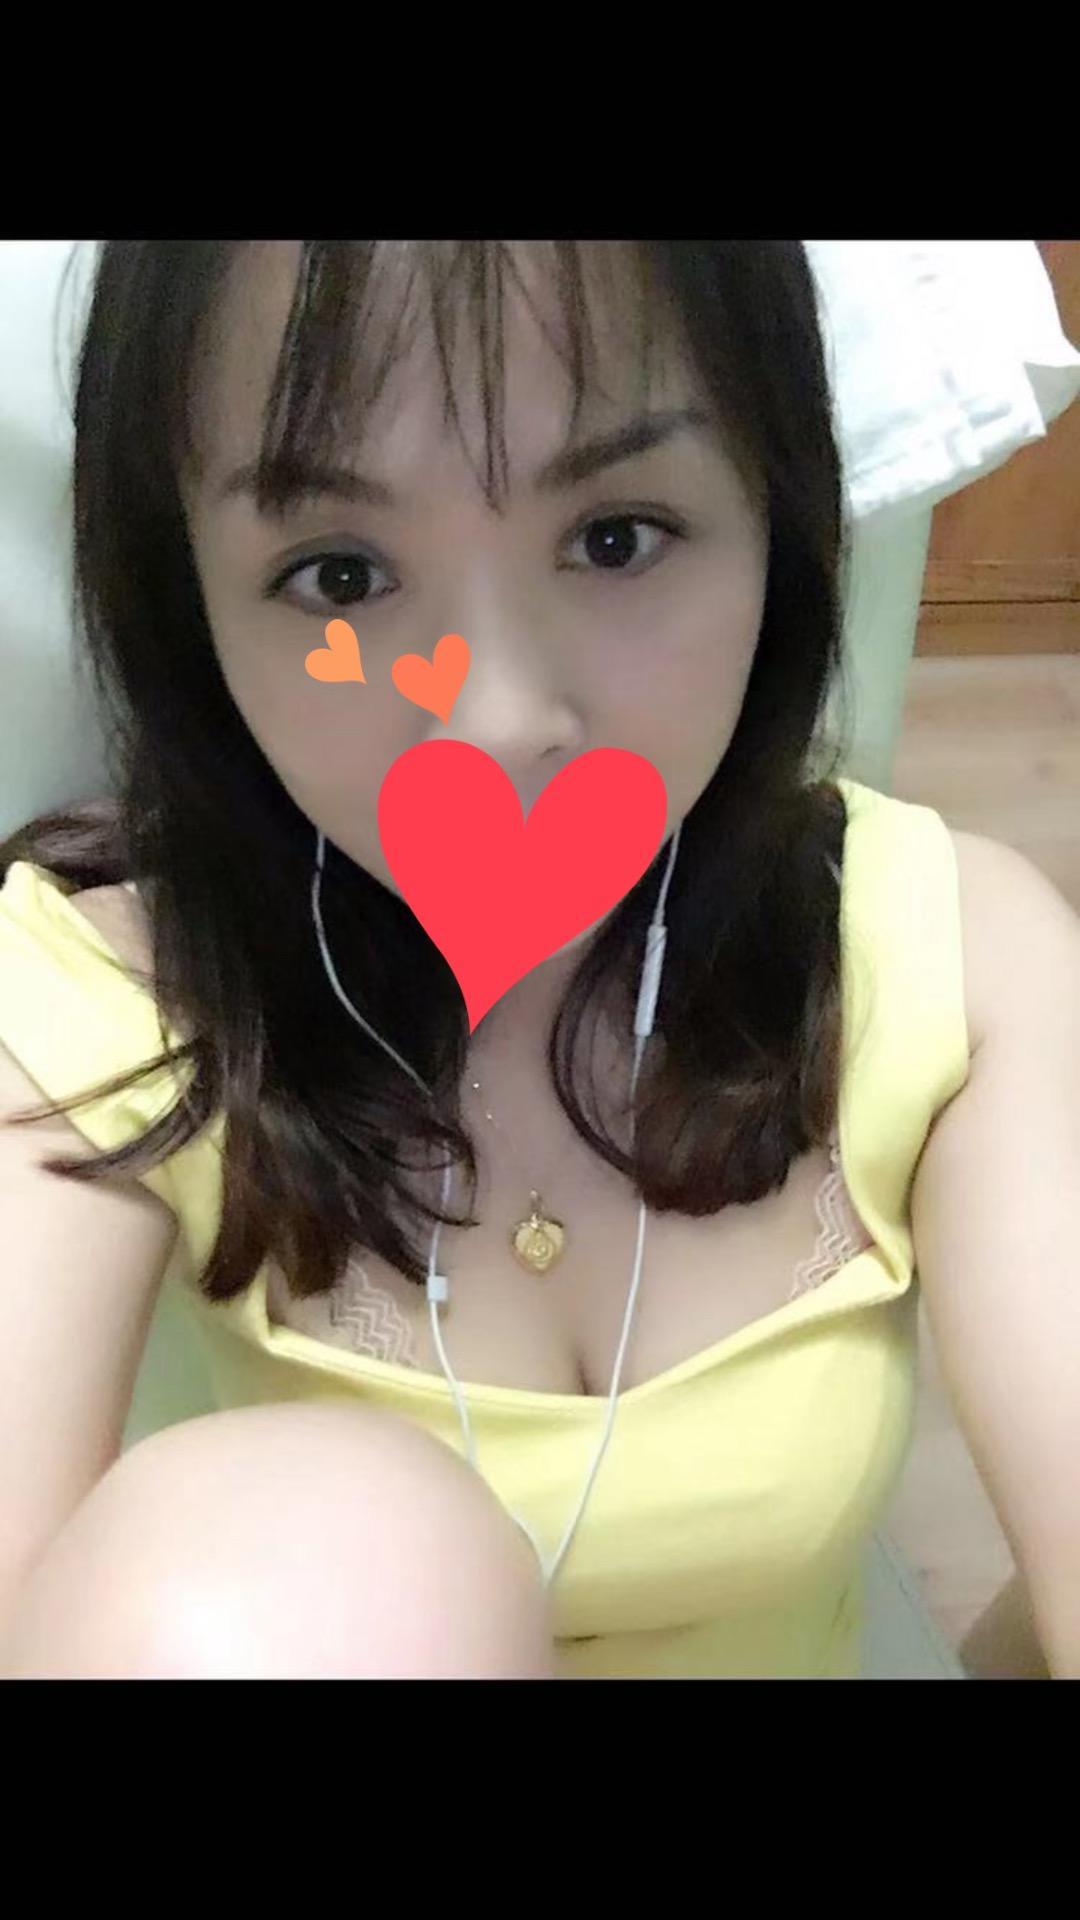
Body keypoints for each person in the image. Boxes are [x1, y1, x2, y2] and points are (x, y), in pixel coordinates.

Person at [0, 240, 1059, 1679]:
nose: (497, 723)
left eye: (617, 538)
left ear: (775, 511)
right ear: (189, 601)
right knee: (286, 1552)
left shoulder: (950, 960)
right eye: (339, 574)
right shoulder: (104, 996)